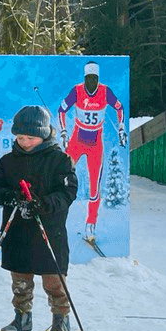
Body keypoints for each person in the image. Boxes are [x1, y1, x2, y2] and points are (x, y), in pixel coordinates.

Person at [0, 105, 79, 331]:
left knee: (53, 280)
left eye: (30, 137)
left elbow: (68, 191)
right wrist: (12, 197)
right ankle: (22, 318)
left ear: (45, 134)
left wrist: (43, 204)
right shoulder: (8, 161)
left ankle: (61, 320)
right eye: (20, 137)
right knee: (20, 278)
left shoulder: (60, 160)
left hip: (49, 229)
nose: (25, 142)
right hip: (18, 229)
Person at [57, 60, 125, 241]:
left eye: (94, 79)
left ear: (98, 79)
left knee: (95, 186)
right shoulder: (77, 90)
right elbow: (61, 110)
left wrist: (121, 128)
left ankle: (91, 224)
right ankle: (54, 216)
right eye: (89, 79)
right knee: (59, 175)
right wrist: (63, 131)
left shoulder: (105, 91)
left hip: (96, 144)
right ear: (84, 78)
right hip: (77, 141)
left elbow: (119, 107)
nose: (91, 83)